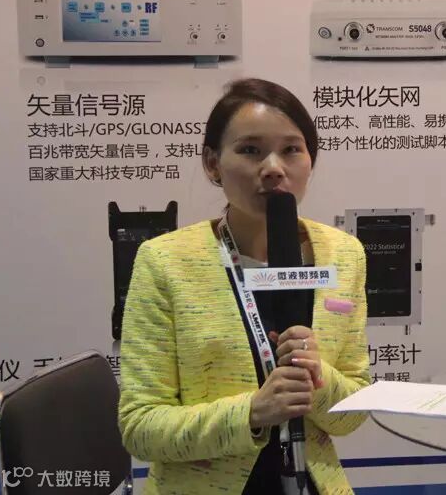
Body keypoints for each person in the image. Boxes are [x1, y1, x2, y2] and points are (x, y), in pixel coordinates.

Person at [118, 78, 369, 495]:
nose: (273, 168)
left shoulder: (343, 255)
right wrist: (252, 412)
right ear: (212, 164)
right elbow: (140, 428)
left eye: (291, 149)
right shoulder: (165, 262)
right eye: (250, 150)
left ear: (310, 160)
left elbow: (353, 412)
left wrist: (318, 377)